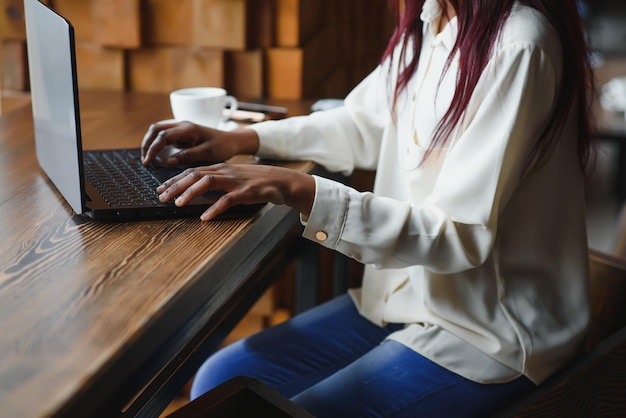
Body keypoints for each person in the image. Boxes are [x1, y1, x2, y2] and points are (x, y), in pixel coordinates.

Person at [141, 0, 595, 416]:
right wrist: (245, 139)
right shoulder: (435, 16)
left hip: (484, 333)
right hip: (404, 299)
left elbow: (457, 235)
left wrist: (299, 187)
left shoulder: (519, 44)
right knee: (218, 379)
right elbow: (365, 121)